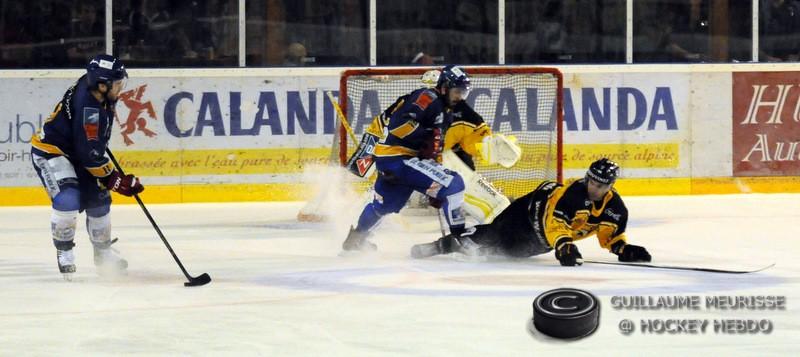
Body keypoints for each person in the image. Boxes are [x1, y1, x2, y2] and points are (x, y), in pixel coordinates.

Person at [410, 158, 652, 266]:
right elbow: (556, 224)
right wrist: (565, 245)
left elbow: (609, 235)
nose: (594, 189)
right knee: (495, 233)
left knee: (505, 253)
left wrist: (622, 248)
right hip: (529, 212)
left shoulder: (616, 209)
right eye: (592, 182)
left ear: (610, 186)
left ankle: (467, 249)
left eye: (601, 186)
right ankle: (441, 246)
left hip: (543, 241)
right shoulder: (573, 194)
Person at [31, 54, 144, 280]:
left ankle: (102, 255)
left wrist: (108, 176)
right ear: (102, 85)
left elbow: (90, 147)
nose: (121, 88)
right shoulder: (89, 110)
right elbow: (89, 155)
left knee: (99, 199)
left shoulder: (95, 89)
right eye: (117, 83)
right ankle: (64, 251)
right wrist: (116, 179)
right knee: (68, 198)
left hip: (78, 153)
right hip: (53, 151)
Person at [341, 65, 471, 251]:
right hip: (399, 158)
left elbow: (434, 148)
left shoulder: (446, 111)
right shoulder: (427, 98)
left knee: (386, 206)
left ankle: (355, 241)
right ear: (444, 87)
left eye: (464, 93)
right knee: (454, 184)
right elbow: (398, 126)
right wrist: (424, 134)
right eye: (457, 92)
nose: (460, 97)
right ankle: (459, 240)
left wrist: (435, 174)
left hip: (392, 160)